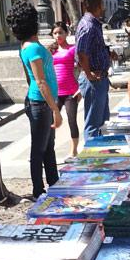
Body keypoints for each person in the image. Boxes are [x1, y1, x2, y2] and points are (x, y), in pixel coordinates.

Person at [6, 1, 62, 199]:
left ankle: (54, 183)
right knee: (40, 149)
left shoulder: (30, 45)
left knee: (48, 147)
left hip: (42, 103)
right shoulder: (32, 49)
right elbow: (40, 81)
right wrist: (55, 109)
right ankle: (39, 190)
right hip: (41, 104)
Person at [75, 0, 111, 140]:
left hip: (100, 77)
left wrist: (108, 53)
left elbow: (92, 49)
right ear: (98, 5)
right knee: (93, 124)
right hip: (94, 79)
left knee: (102, 121)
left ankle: (101, 153)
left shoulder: (94, 24)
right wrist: (89, 74)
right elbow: (82, 53)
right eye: (103, 4)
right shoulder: (88, 25)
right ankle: (91, 158)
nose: (104, 7)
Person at [50, 21, 81, 161]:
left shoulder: (73, 49)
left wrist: (80, 88)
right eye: (55, 33)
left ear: (66, 33)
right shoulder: (51, 51)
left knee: (71, 121)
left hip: (70, 92)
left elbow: (83, 67)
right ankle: (47, 151)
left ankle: (74, 151)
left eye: (60, 32)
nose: (58, 35)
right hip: (55, 93)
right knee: (51, 122)